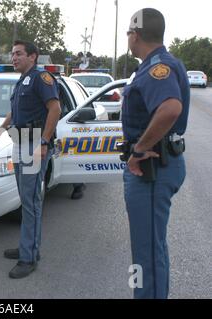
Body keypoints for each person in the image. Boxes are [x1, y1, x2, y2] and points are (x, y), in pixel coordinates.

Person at [122, 8, 190, 299]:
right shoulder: (155, 64)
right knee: (149, 248)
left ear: (135, 35)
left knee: (147, 253)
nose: (128, 38)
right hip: (157, 166)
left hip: (152, 169)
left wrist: (139, 149)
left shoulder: (156, 67)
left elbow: (170, 108)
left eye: (128, 33)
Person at [0, 40, 61, 279]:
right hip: (20, 141)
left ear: (33, 56)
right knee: (27, 200)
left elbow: (55, 109)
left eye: (19, 54)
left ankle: (28, 257)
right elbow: (15, 111)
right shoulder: (22, 81)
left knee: (30, 203)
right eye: (13, 54)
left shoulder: (42, 79)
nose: (14, 57)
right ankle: (28, 246)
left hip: (33, 142)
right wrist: (0, 128)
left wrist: (44, 142)